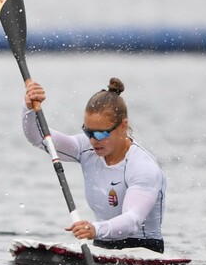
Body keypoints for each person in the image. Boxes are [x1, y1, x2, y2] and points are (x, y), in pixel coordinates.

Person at [22, 77, 166, 252]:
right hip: (102, 246)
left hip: (144, 251)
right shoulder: (86, 147)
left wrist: (94, 229)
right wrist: (29, 109)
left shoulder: (142, 167)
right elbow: (39, 138)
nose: (93, 140)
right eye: (88, 131)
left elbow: (132, 220)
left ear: (123, 126)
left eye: (100, 134)